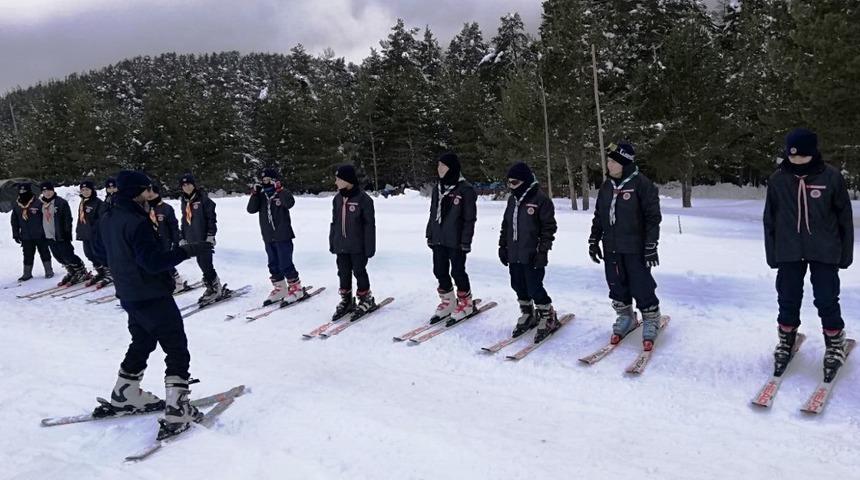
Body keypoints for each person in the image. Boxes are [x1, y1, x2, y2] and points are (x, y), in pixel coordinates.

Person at [92, 170, 213, 440]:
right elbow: (153, 262)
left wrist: (124, 264)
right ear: (135, 192)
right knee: (176, 347)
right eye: (146, 189)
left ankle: (125, 393)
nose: (150, 194)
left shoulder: (108, 216)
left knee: (143, 340)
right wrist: (187, 251)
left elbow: (100, 251)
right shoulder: (136, 221)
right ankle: (178, 410)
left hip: (128, 293)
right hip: (151, 294)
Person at [763, 128, 853, 379]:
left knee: (826, 297)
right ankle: (786, 337)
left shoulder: (831, 177)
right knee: (787, 295)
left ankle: (834, 340)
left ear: (813, 153)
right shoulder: (778, 179)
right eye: (792, 156)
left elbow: (845, 219)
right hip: (788, 249)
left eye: (802, 156)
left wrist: (845, 253)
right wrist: (772, 253)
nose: (796, 160)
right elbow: (769, 219)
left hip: (824, 249)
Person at [588, 143, 663, 350]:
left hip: (635, 247)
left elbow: (653, 218)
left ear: (624, 162)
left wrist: (651, 245)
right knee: (615, 283)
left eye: (613, 161)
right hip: (611, 246)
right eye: (608, 161)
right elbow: (599, 216)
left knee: (641, 284)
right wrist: (594, 240)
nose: (608, 165)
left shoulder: (642, 184)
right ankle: (625, 316)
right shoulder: (606, 187)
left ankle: (651, 318)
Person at [498, 162, 559, 343]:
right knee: (517, 284)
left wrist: (542, 251)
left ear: (524, 181)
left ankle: (547, 314)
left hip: (532, 254)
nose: (511, 186)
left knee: (534, 286)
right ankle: (527, 312)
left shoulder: (540, 200)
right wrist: (502, 246)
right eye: (509, 182)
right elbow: (506, 225)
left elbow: (549, 228)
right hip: (514, 253)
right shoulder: (512, 200)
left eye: (515, 182)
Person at [425, 152, 478, 326]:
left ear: (452, 168)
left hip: (456, 240)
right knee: (439, 270)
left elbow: (469, 218)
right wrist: (430, 233)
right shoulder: (438, 189)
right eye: (438, 165)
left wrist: (466, 241)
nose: (439, 169)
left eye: (443, 166)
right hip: (439, 238)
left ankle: (466, 303)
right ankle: (448, 301)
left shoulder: (465, 190)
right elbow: (433, 213)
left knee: (457, 271)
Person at [246, 168, 304, 305]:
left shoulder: (281, 194)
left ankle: (296, 288)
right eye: (263, 180)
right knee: (273, 263)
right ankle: (280, 288)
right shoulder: (261, 196)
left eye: (268, 180)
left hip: (283, 235)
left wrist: (280, 190)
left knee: (285, 263)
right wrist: (255, 194)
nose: (265, 182)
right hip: (268, 236)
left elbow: (289, 203)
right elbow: (251, 209)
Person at [329, 164, 377, 319]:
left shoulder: (364, 200)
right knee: (342, 272)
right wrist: (333, 241)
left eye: (338, 179)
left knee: (359, 271)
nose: (335, 182)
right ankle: (347, 300)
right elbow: (334, 223)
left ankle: (366, 298)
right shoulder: (337, 199)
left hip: (358, 246)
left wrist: (369, 247)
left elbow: (369, 226)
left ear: (347, 180)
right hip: (341, 245)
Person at [178, 173, 221, 304]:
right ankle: (210, 285)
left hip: (203, 238)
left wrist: (211, 235)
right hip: (192, 238)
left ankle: (215, 287)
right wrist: (182, 236)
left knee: (206, 263)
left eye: (189, 184)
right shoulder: (184, 201)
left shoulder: (203, 199)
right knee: (201, 263)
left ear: (194, 185)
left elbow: (211, 219)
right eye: (184, 185)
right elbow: (184, 220)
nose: (186, 187)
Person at [40, 182, 89, 286]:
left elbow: (67, 219)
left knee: (68, 255)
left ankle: (81, 271)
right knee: (58, 256)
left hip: (61, 235)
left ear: (53, 190)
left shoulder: (61, 202)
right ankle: (72, 272)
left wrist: (67, 233)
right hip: (49, 236)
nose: (47, 193)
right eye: (44, 191)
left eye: (49, 190)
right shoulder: (42, 204)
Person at [148, 184, 189, 293]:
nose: (149, 196)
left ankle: (178, 282)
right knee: (155, 263)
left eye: (152, 193)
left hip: (165, 240)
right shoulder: (145, 208)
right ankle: (162, 282)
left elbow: (173, 226)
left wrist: (175, 241)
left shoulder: (166, 208)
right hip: (151, 241)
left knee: (166, 262)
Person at [10, 182, 53, 280]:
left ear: (29, 191)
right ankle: (27, 273)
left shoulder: (39, 203)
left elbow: (47, 219)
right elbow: (14, 221)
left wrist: (48, 232)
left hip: (40, 234)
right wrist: (15, 234)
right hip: (26, 236)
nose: (22, 192)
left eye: (24, 190)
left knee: (44, 252)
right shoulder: (17, 205)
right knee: (27, 254)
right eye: (20, 191)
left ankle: (48, 270)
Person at [76, 180, 111, 287]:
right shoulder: (83, 202)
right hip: (85, 233)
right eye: (83, 190)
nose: (85, 192)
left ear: (92, 190)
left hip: (95, 234)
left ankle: (109, 271)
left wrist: (93, 229)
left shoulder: (97, 203)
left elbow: (101, 219)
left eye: (87, 189)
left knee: (99, 253)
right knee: (89, 254)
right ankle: (101, 272)